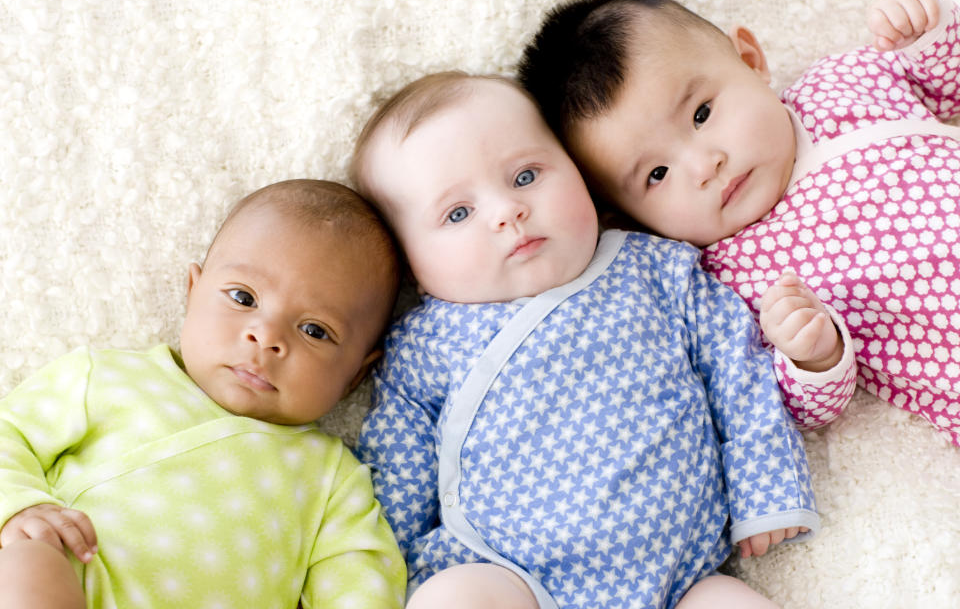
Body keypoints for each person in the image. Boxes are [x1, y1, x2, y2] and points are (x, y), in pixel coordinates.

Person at [349, 71, 826, 609]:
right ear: (412, 263)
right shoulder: (425, 343)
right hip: (509, 573)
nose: (508, 212)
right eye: (458, 213)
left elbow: (738, 369)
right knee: (450, 598)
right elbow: (396, 457)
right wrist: (377, 563)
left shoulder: (655, 268)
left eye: (526, 175)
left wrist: (766, 488)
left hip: (684, 575)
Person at [518, 0, 960, 444]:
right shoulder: (729, 282)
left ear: (750, 60)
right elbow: (788, 406)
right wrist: (812, 356)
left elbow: (945, 88)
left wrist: (925, 26)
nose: (704, 166)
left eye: (702, 114)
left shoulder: (843, 81)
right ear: (628, 221)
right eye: (658, 173)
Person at [0, 179, 406, 608]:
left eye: (314, 330)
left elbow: (364, 580)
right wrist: (21, 508)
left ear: (356, 375)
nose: (265, 336)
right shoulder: (107, 376)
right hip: (72, 582)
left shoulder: (332, 480)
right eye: (243, 297)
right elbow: (10, 433)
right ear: (193, 293)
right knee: (31, 558)